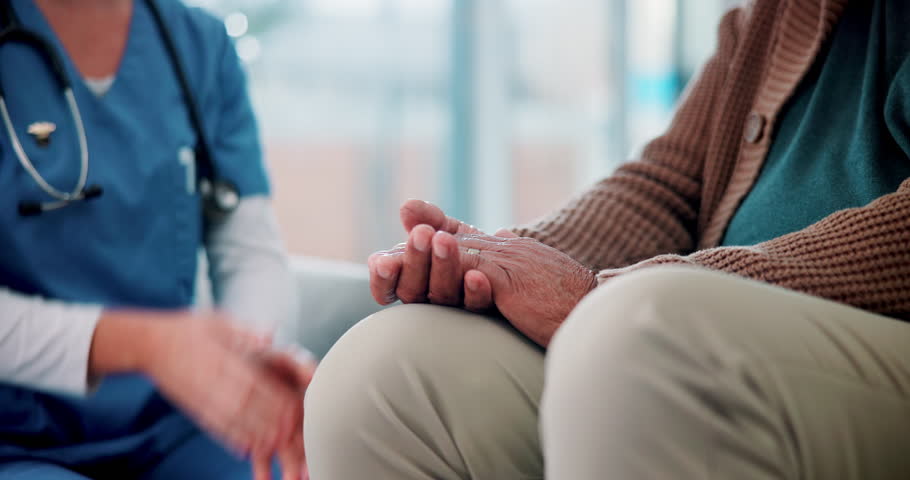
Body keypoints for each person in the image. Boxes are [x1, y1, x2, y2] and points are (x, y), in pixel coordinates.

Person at [304, 0, 910, 478]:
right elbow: (668, 187)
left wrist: (600, 294)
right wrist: (499, 264)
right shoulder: (774, 17)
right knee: (385, 372)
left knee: (636, 335)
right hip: (688, 322)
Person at [0, 0, 313, 478]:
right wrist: (150, 345)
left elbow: (248, 248)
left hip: (175, 425)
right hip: (19, 441)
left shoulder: (199, 45)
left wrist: (250, 359)